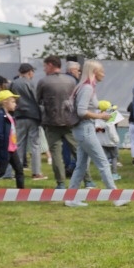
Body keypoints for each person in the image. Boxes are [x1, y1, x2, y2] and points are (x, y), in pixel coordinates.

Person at [64, 60, 129, 208]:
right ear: (94, 72)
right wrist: (101, 116)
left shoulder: (84, 87)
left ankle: (71, 198)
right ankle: (116, 197)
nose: (104, 73)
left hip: (83, 130)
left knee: (81, 165)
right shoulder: (87, 88)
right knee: (103, 163)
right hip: (85, 129)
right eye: (101, 70)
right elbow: (81, 112)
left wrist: (101, 110)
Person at [36, 55, 85, 188]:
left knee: (56, 153)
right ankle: (88, 180)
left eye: (45, 66)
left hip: (52, 122)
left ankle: (61, 182)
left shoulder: (44, 82)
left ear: (51, 65)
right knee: (78, 150)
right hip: (70, 121)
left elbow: (38, 100)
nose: (44, 69)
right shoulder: (71, 81)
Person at [10, 63, 47, 181]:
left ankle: (18, 171)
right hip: (32, 116)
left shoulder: (13, 83)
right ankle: (36, 172)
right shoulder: (31, 83)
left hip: (19, 115)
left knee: (19, 144)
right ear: (30, 72)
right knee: (35, 145)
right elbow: (38, 100)